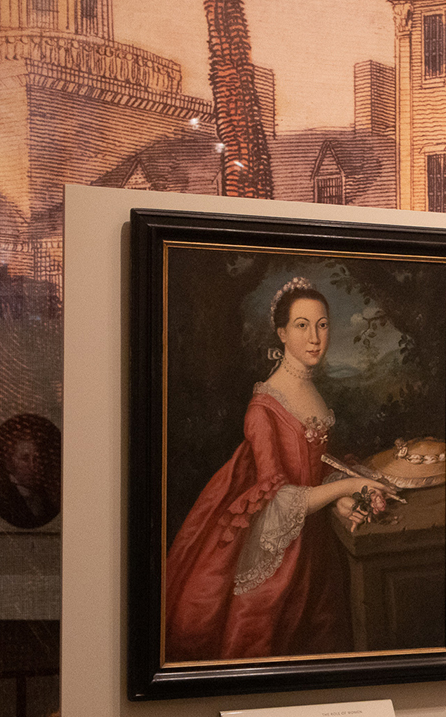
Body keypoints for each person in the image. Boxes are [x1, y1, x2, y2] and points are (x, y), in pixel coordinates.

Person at [165, 278, 389, 662]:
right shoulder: (262, 409)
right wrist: (349, 485)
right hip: (277, 549)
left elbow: (319, 470)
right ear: (282, 333)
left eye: (322, 324)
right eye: (302, 325)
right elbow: (279, 499)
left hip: (316, 543)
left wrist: (340, 498)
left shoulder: (314, 391)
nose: (315, 337)